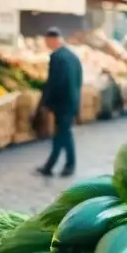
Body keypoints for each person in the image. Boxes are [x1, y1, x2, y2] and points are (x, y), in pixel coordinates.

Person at [36, 28, 82, 177]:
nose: (46, 44)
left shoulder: (57, 57)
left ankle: (65, 165)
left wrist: (47, 102)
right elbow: (79, 80)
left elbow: (55, 82)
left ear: (52, 39)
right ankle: (52, 165)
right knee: (62, 133)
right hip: (71, 100)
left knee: (64, 134)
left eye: (47, 41)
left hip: (62, 102)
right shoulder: (73, 56)